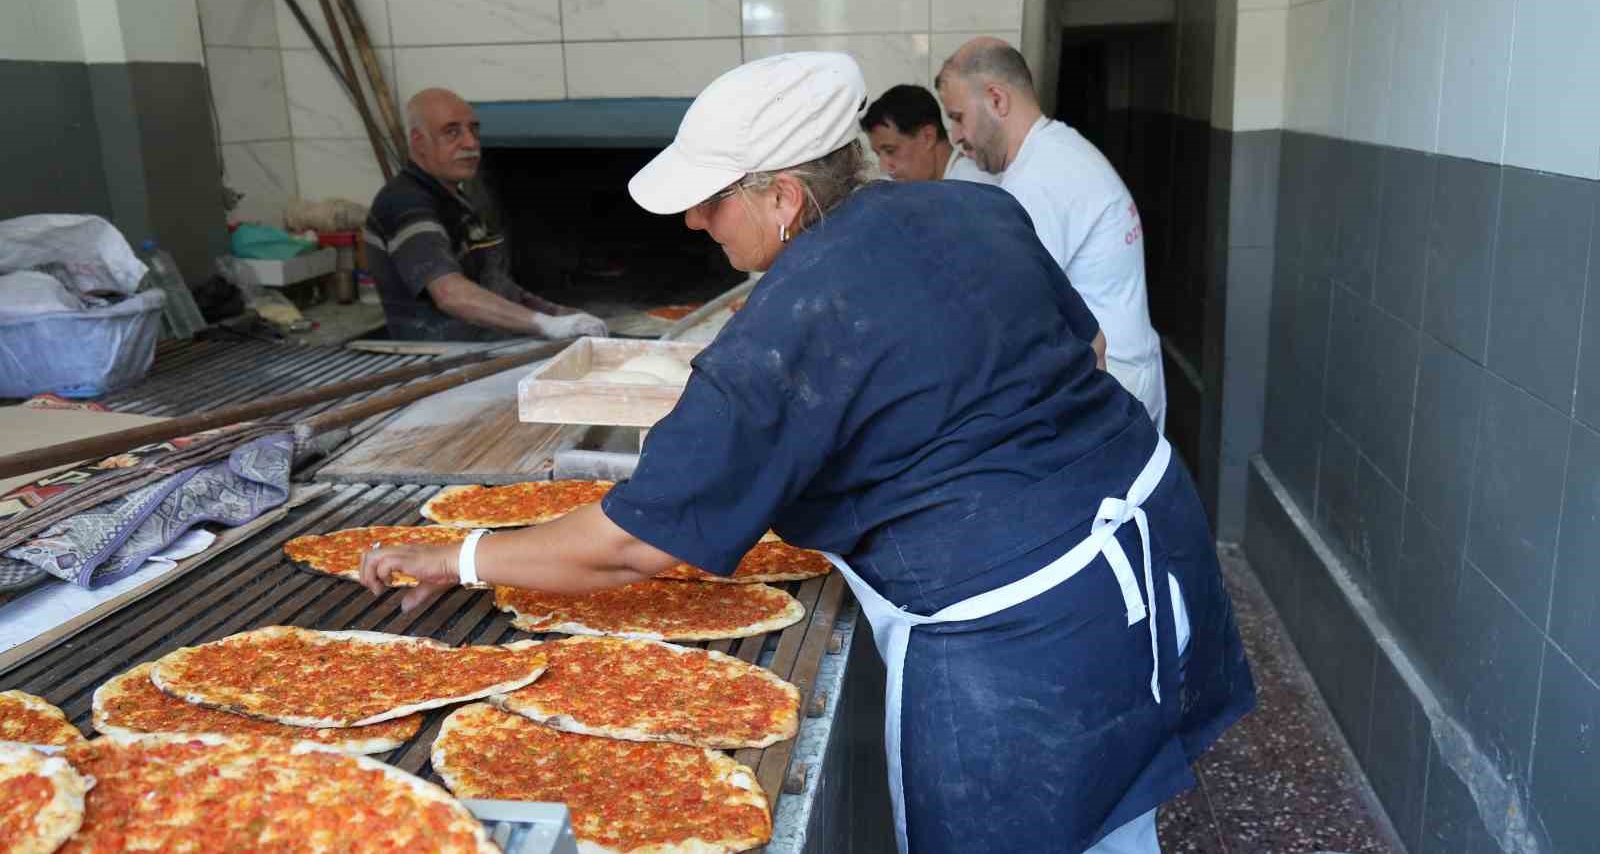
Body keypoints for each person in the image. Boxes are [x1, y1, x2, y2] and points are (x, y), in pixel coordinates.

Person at [361, 53, 1253, 854]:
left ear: (784, 197)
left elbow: (638, 541)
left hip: (1020, 636)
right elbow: (1087, 352)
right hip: (1152, 537)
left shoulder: (786, 327)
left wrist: (458, 557)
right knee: (1116, 824)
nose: (697, 225)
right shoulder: (974, 206)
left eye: (712, 201)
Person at [938, 38, 1168, 431]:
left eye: (958, 117)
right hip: (1124, 371)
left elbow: (1012, 315)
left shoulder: (1041, 180)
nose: (955, 135)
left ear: (997, 100)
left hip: (1108, 386)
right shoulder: (1058, 150)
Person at [363, 87, 607, 341]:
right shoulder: (405, 202)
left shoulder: (455, 201)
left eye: (473, 130)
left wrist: (563, 316)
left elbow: (498, 288)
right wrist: (546, 325)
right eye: (452, 132)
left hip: (482, 344)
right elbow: (450, 294)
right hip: (437, 359)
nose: (471, 143)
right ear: (418, 141)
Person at [860, 84, 996, 183]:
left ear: (928, 137)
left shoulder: (976, 188)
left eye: (890, 151)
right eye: (878, 155)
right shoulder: (903, 186)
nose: (884, 167)